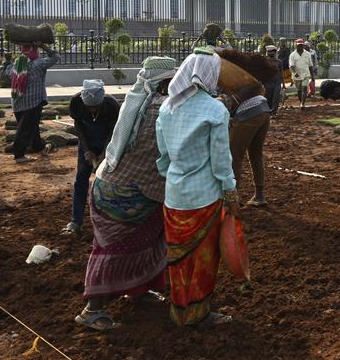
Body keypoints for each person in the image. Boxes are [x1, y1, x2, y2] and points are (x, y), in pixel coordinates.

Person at [76, 57, 178, 331]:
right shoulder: (160, 108)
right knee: (114, 250)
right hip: (128, 194)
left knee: (147, 242)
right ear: (165, 81)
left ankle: (139, 289)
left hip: (116, 186)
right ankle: (91, 309)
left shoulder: (135, 102)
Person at [156, 50, 239, 327]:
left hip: (174, 196)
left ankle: (179, 308)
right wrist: (230, 191)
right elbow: (221, 161)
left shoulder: (167, 108)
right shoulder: (215, 110)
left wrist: (174, 178)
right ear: (210, 74)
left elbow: (164, 157)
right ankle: (198, 313)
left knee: (178, 258)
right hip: (204, 199)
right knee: (203, 258)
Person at [64, 80, 120, 235]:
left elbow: (114, 132)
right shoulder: (76, 102)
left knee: (110, 181)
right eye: (89, 107)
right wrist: (87, 150)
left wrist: (104, 154)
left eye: (96, 106)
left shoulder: (113, 105)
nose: (92, 109)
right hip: (87, 142)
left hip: (108, 144)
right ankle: (76, 221)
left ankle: (112, 220)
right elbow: (78, 126)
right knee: (81, 179)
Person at [9, 43, 60, 164]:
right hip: (33, 102)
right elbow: (56, 57)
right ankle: (19, 154)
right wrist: (44, 46)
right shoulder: (38, 64)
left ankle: (38, 146)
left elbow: (8, 74)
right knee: (25, 129)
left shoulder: (18, 62)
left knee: (32, 127)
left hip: (17, 101)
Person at [229, 84, 272, 207]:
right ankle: (259, 196)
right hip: (263, 108)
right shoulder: (243, 76)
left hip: (248, 112)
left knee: (234, 157)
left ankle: (231, 201)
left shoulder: (219, 80)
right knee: (255, 154)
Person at [287, 39, 313, 109]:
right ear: (296, 46)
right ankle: (301, 101)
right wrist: (295, 72)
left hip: (306, 74)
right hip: (296, 76)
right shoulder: (292, 55)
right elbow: (291, 66)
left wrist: (312, 76)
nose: (300, 46)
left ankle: (302, 104)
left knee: (304, 88)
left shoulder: (308, 54)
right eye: (299, 45)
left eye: (301, 45)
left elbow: (310, 65)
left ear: (303, 46)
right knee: (299, 90)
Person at [262, 45, 284, 115]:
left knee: (276, 98)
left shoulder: (279, 62)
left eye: (272, 52)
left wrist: (283, 84)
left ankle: (274, 112)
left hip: (277, 83)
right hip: (267, 83)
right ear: (267, 52)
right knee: (268, 98)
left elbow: (281, 73)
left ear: (275, 52)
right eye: (269, 52)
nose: (271, 53)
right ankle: (268, 112)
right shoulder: (265, 62)